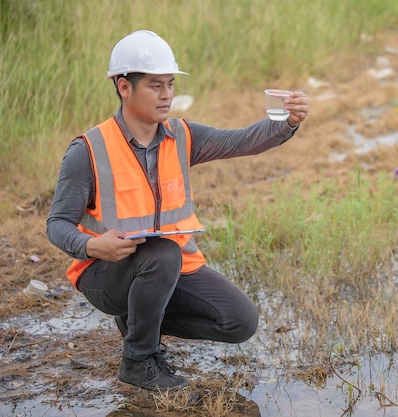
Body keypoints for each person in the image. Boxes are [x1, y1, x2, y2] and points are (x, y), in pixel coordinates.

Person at [46, 30, 309, 391]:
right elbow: (57, 224)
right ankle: (139, 360)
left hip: (169, 267)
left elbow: (242, 140)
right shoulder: (88, 150)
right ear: (124, 87)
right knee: (163, 254)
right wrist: (93, 246)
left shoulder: (182, 135)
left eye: (170, 84)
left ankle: (140, 320)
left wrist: (288, 122)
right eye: (155, 86)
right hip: (104, 273)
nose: (167, 95)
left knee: (240, 321)